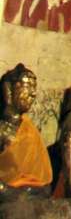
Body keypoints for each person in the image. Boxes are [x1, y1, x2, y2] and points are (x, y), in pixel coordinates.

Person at [0, 64, 51, 192]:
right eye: (28, 87)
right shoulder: (2, 129)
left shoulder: (30, 130)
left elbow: (41, 178)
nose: (33, 93)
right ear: (9, 90)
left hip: (32, 194)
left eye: (34, 87)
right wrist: (10, 191)